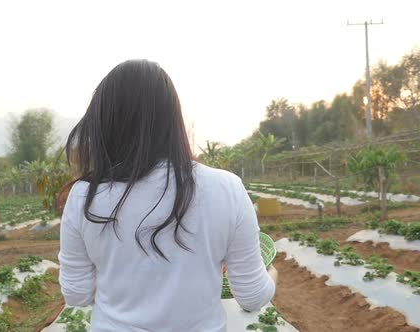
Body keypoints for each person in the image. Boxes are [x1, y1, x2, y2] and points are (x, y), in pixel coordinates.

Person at [58, 59, 277, 332]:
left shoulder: (84, 197)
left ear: (103, 122)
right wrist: (271, 274)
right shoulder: (226, 188)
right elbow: (253, 295)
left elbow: (76, 294)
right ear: (173, 119)